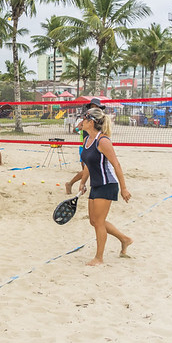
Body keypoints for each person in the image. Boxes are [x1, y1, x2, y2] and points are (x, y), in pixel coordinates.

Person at [78, 107, 133, 266]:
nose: (81, 120)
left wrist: (124, 188)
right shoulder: (87, 140)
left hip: (108, 184)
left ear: (91, 122)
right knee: (94, 221)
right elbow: (88, 164)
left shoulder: (103, 141)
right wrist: (82, 181)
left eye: (84, 118)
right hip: (96, 184)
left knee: (99, 222)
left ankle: (99, 258)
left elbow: (116, 165)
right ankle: (125, 239)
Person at [65, 98, 104, 194]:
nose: (95, 108)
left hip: (96, 146)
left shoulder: (101, 120)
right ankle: (71, 184)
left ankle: (75, 185)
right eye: (93, 107)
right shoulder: (86, 120)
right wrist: (79, 128)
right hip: (85, 147)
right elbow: (75, 130)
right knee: (87, 170)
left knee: (90, 170)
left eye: (97, 107)